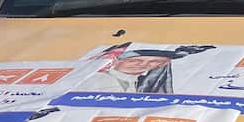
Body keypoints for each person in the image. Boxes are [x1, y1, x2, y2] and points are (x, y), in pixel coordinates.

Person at [86, 44, 215, 93]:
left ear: (161, 65)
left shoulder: (136, 81)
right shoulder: (99, 80)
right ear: (115, 62)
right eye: (134, 60)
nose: (143, 65)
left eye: (154, 62)